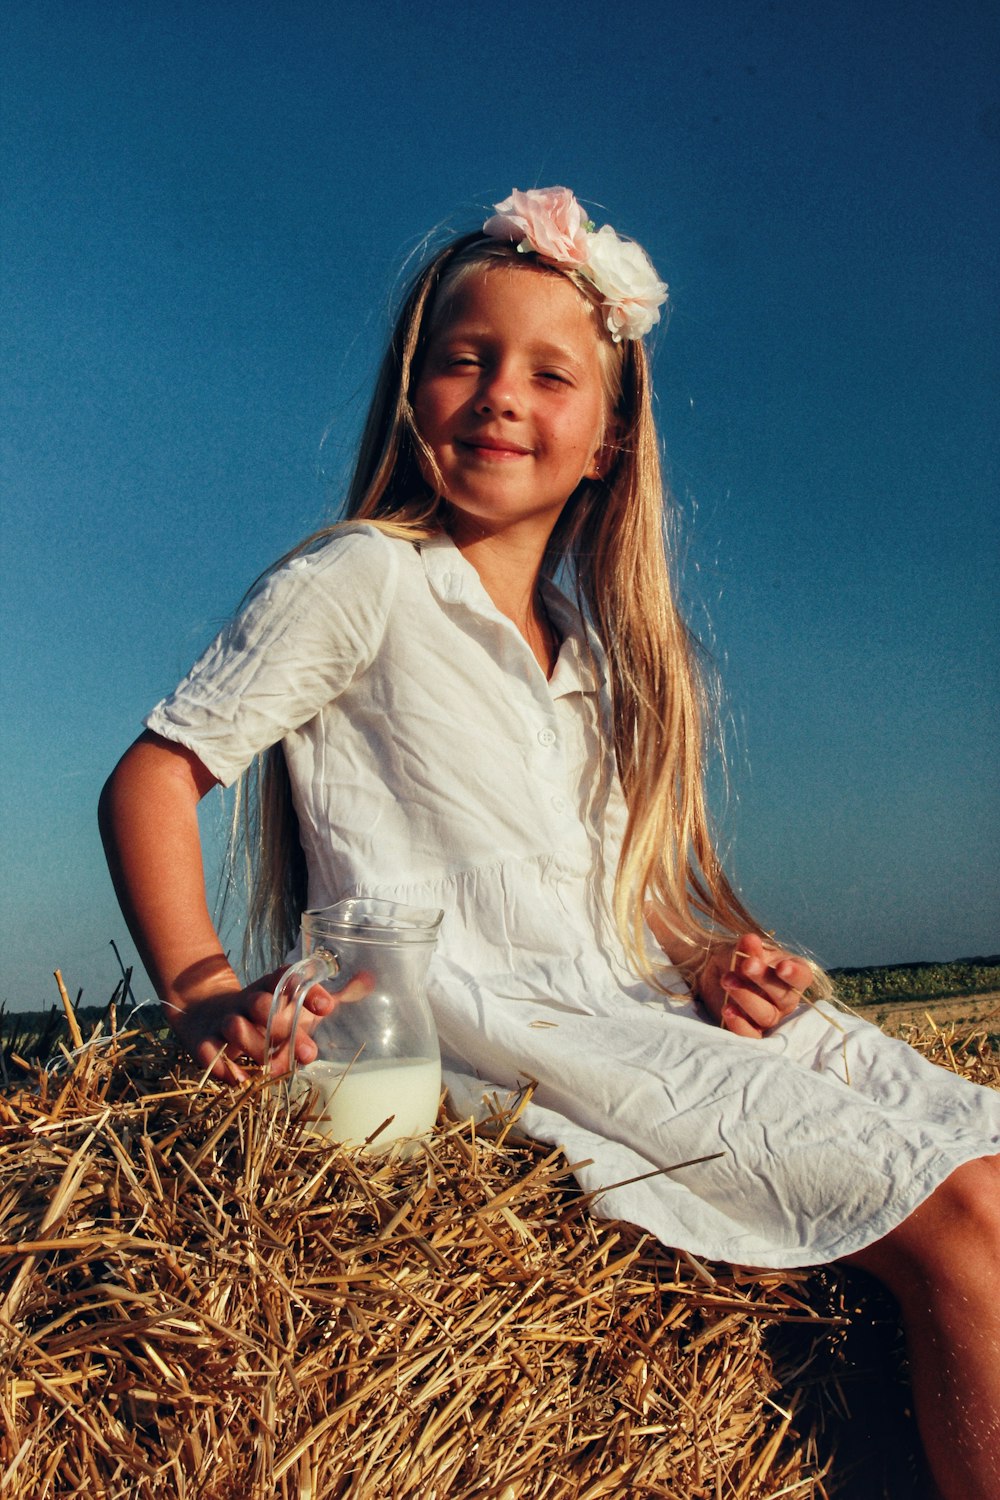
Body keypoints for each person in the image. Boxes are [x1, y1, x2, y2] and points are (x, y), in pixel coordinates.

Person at [100, 186, 1000, 1498]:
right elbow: (154, 775)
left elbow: (591, 908)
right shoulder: (363, 577)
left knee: (985, 1162)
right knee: (964, 1219)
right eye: (462, 359)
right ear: (413, 392)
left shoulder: (595, 657)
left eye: (547, 371)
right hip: (490, 1037)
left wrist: (699, 964)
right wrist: (195, 987)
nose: (498, 394)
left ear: (610, 439)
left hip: (624, 1010)